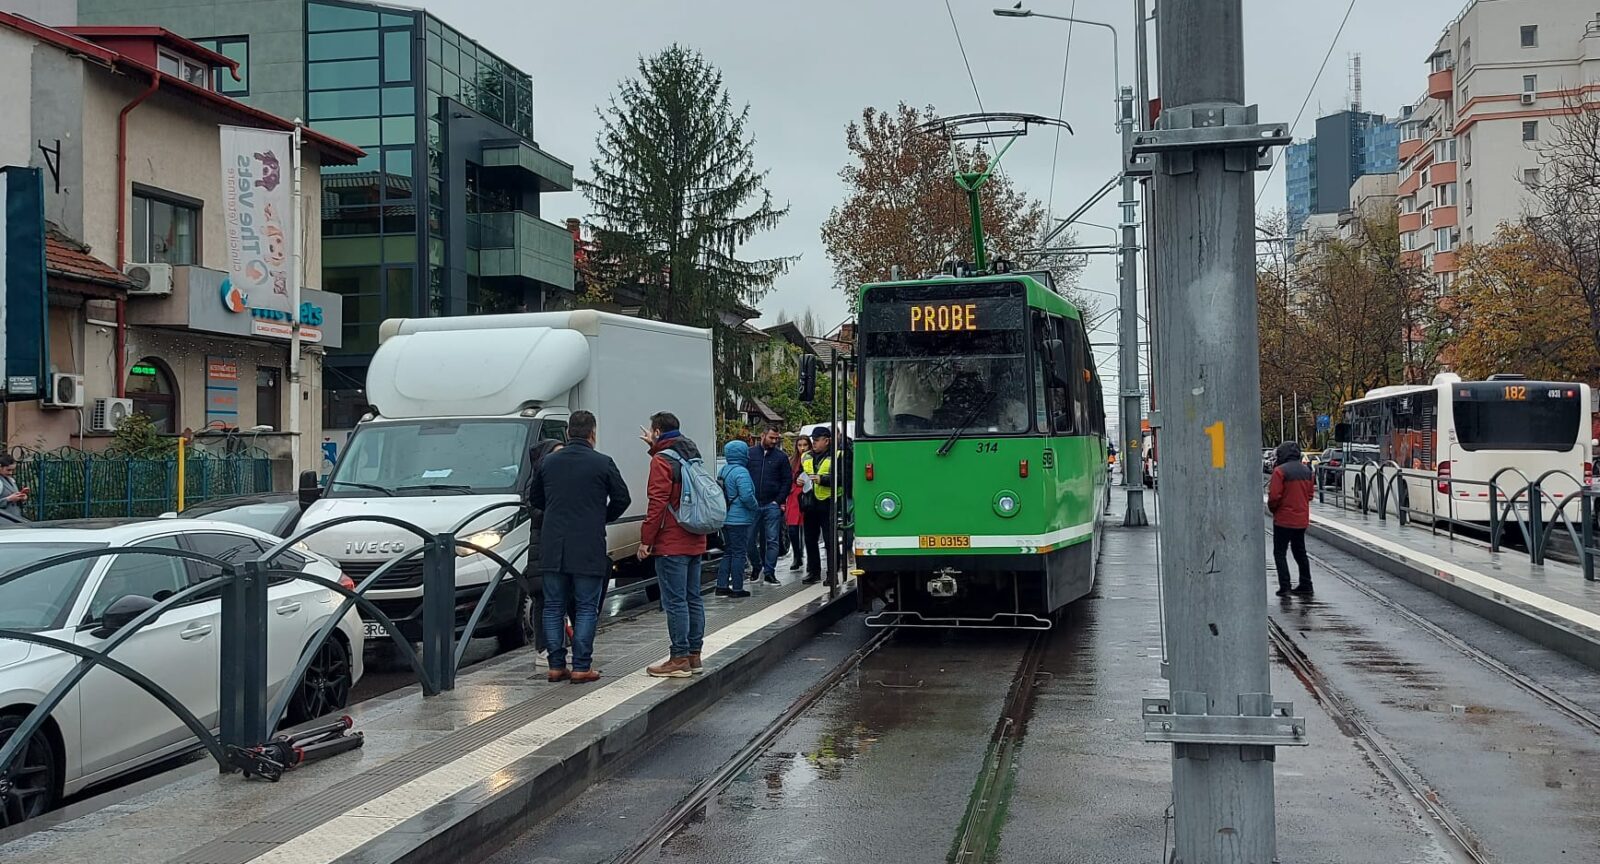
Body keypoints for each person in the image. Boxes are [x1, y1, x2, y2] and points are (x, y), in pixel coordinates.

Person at [526, 411, 631, 683]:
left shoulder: (548, 463)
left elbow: (535, 498)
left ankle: (556, 665)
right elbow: (623, 498)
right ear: (592, 433)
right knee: (585, 607)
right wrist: (601, 516)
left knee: (553, 607)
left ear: (568, 433)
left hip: (553, 545)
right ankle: (582, 666)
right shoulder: (602, 463)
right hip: (587, 545)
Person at [640, 411, 709, 678]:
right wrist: (653, 448)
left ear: (657, 431)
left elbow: (657, 502)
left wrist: (646, 540)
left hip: (671, 540)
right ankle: (694, 655)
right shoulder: (690, 453)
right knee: (693, 598)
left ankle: (678, 658)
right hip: (695, 537)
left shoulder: (661, 460)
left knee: (675, 601)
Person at [1267, 440, 1316, 596]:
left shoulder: (1280, 471)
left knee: (1280, 552)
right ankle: (1306, 583)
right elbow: (1310, 495)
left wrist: (1273, 509)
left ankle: (1285, 586)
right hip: (1301, 520)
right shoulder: (1307, 471)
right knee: (1300, 551)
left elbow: (1274, 496)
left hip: (1283, 519)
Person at [745, 425, 792, 585]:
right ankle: (757, 565)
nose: (774, 441)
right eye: (771, 437)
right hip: (753, 504)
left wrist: (778, 501)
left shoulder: (781, 457)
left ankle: (769, 572)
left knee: (772, 540)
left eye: (776, 438)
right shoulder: (750, 454)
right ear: (763, 435)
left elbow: (787, 481)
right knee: (749, 539)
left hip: (771, 504)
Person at [716, 440, 759, 598]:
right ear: (742, 454)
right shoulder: (741, 472)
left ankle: (721, 585)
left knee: (728, 552)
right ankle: (737, 588)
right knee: (739, 553)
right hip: (739, 519)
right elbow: (747, 495)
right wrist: (755, 506)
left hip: (725, 518)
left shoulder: (724, 470)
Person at [799, 426, 838, 585]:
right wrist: (798, 480)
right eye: (813, 440)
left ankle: (832, 574)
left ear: (827, 440)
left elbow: (843, 477)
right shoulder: (806, 457)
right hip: (810, 503)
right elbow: (798, 473)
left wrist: (823, 480)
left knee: (830, 541)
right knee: (810, 539)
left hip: (828, 502)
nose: (813, 443)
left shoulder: (837, 455)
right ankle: (814, 572)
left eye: (816, 440)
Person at [785, 434, 809, 572]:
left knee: (808, 529)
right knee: (792, 529)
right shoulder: (792, 461)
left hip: (807, 494)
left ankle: (804, 555)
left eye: (805, 445)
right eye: (800, 445)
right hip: (794, 496)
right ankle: (797, 554)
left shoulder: (812, 459)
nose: (802, 448)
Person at [0, 456, 27, 522]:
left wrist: (21, 497)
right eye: (8, 470)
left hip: (14, 518)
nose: (11, 473)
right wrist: (8, 499)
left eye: (12, 470)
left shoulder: (11, 480)